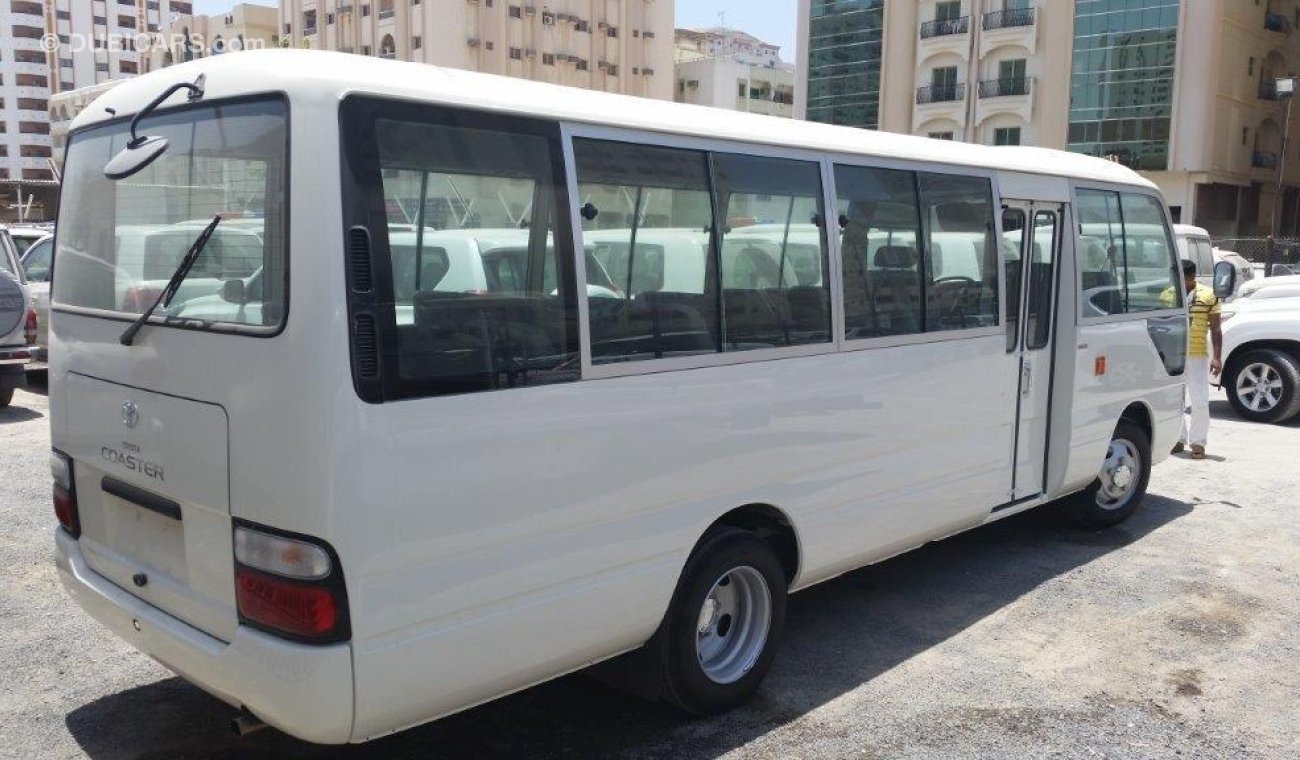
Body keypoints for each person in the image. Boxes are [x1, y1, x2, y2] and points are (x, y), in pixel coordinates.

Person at [1162, 259, 1222, 459]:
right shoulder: (1167, 295)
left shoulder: (1208, 295)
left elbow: (1215, 328)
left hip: (1197, 356)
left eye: (1183, 278)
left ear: (1192, 276)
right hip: (1173, 356)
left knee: (1200, 400)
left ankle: (1198, 442)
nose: (1179, 281)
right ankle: (1178, 439)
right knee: (1175, 400)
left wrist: (1217, 358)